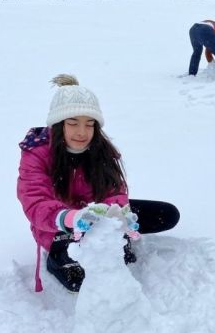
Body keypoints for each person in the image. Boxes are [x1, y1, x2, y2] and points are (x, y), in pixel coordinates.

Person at [17, 74, 180, 293]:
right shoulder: (37, 153)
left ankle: (107, 242)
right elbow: (35, 202)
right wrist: (70, 218)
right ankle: (58, 257)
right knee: (82, 281)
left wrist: (118, 214)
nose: (82, 132)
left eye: (89, 124)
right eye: (73, 123)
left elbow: (115, 189)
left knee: (167, 214)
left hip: (97, 217)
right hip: (58, 226)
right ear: (59, 124)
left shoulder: (101, 149)